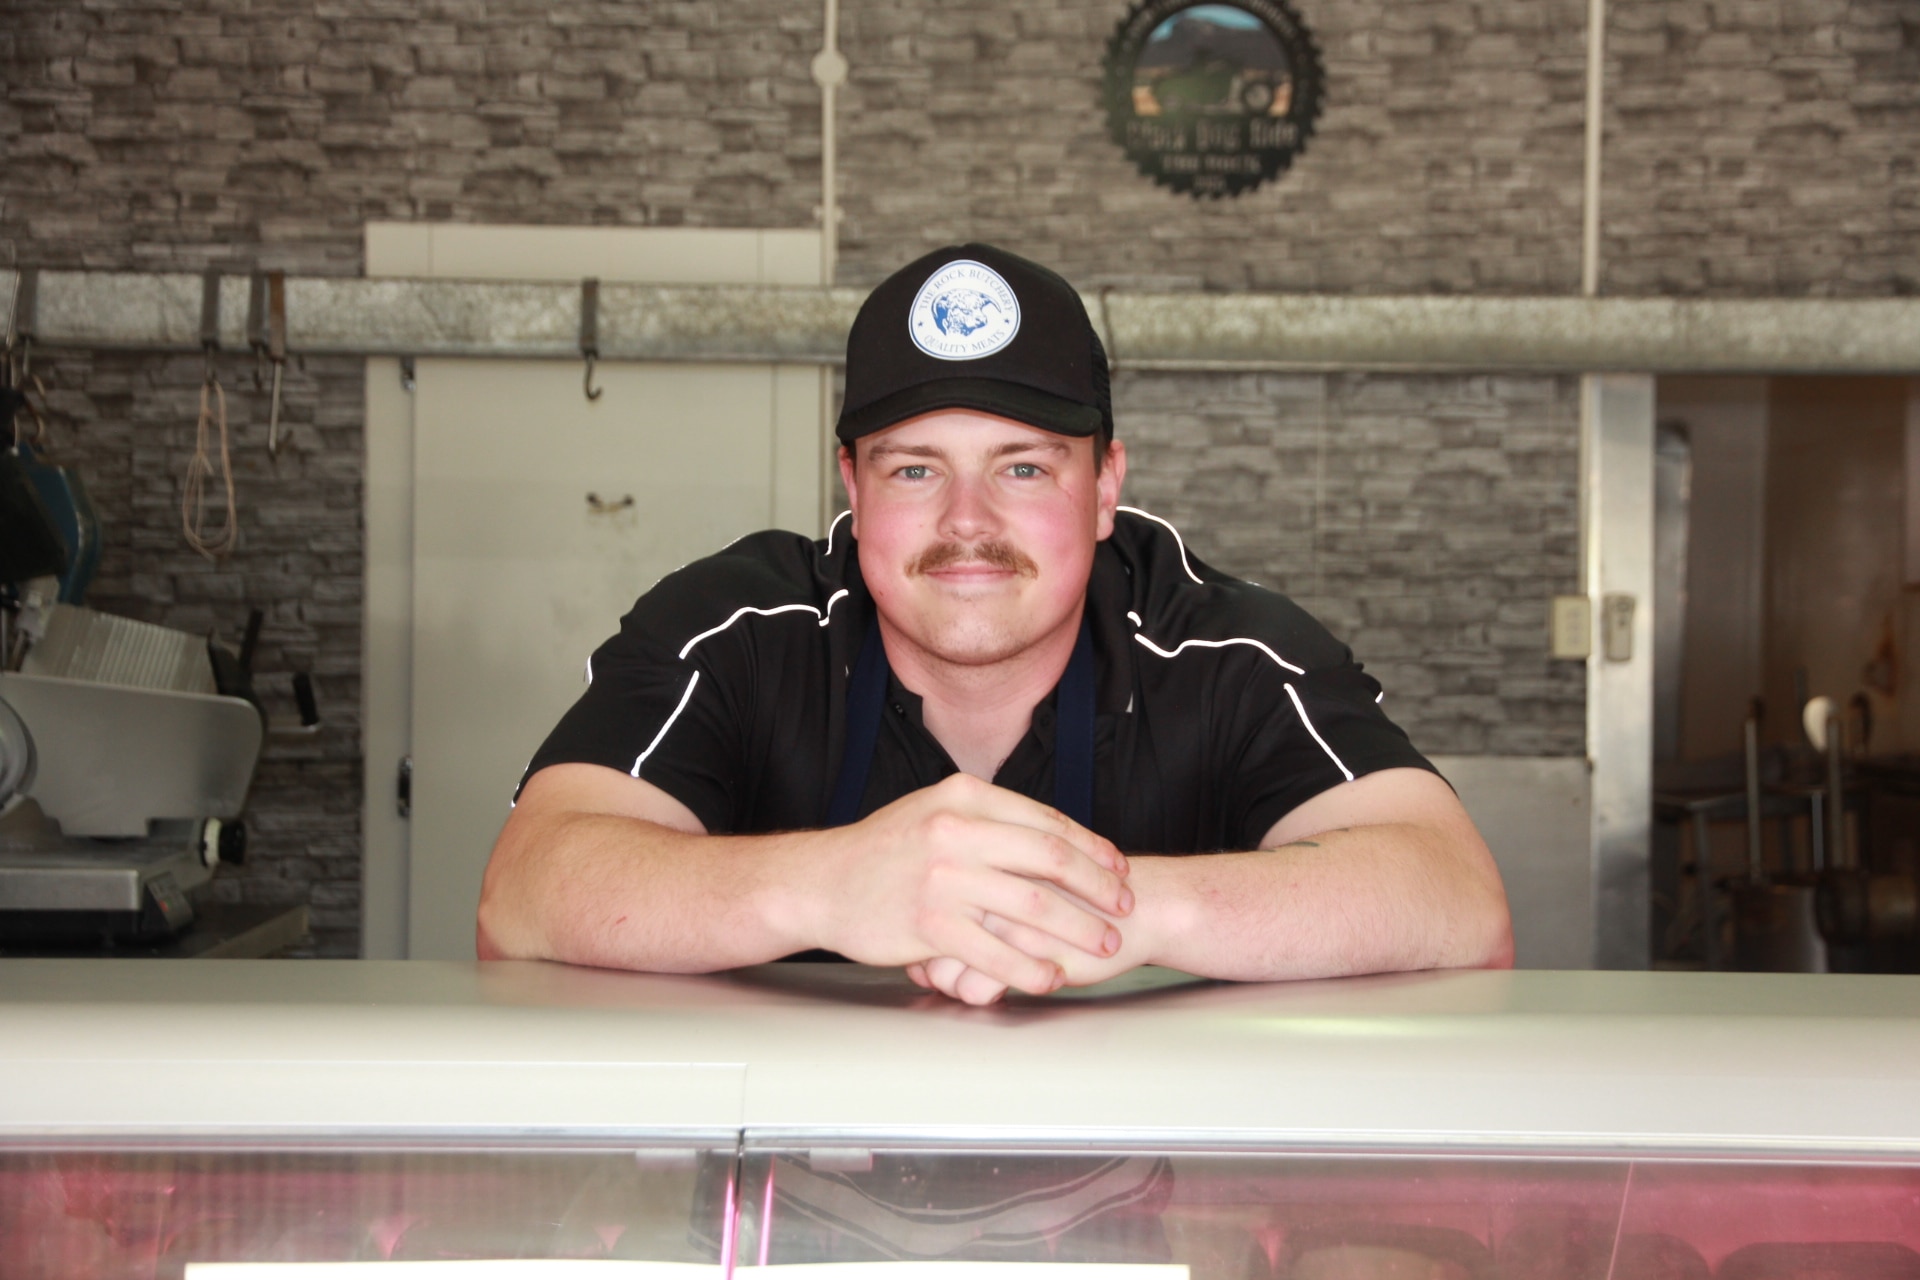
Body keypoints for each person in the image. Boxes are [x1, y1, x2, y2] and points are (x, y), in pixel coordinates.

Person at [478, 242, 1512, 1005]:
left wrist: (1106, 908)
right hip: (796, 1206)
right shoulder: (739, 626)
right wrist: (828, 885)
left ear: (1106, 488)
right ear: (851, 484)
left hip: (1131, 1217)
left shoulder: (1226, 650)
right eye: (916, 468)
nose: (966, 523)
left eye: (1023, 467)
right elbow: (522, 892)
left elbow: (1459, 899)